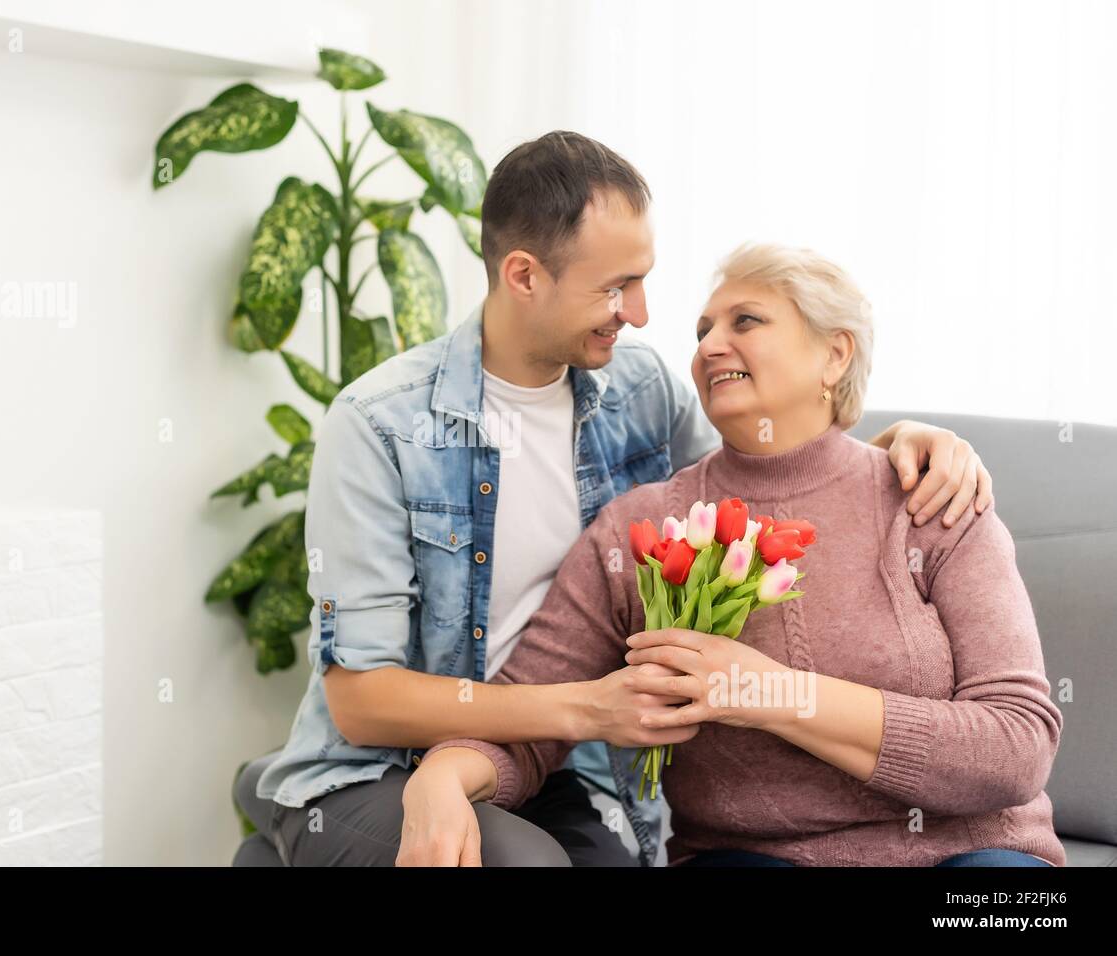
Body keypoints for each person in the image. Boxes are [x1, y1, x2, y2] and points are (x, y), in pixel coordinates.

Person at [252, 132, 995, 867]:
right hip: (378, 766)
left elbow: (748, 501)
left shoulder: (640, 392)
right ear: (523, 276)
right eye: (613, 288)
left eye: (642, 280)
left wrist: (894, 444)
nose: (639, 313)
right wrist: (581, 708)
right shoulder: (381, 424)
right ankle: (275, 816)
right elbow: (362, 700)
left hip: (547, 764)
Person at [400, 242, 1063, 867]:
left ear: (835, 356)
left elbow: (1015, 748)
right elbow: (530, 715)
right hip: (750, 858)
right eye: (701, 331)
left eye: (746, 320)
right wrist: (442, 777)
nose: (711, 346)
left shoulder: (932, 500)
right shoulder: (641, 529)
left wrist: (761, 689)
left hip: (969, 855)